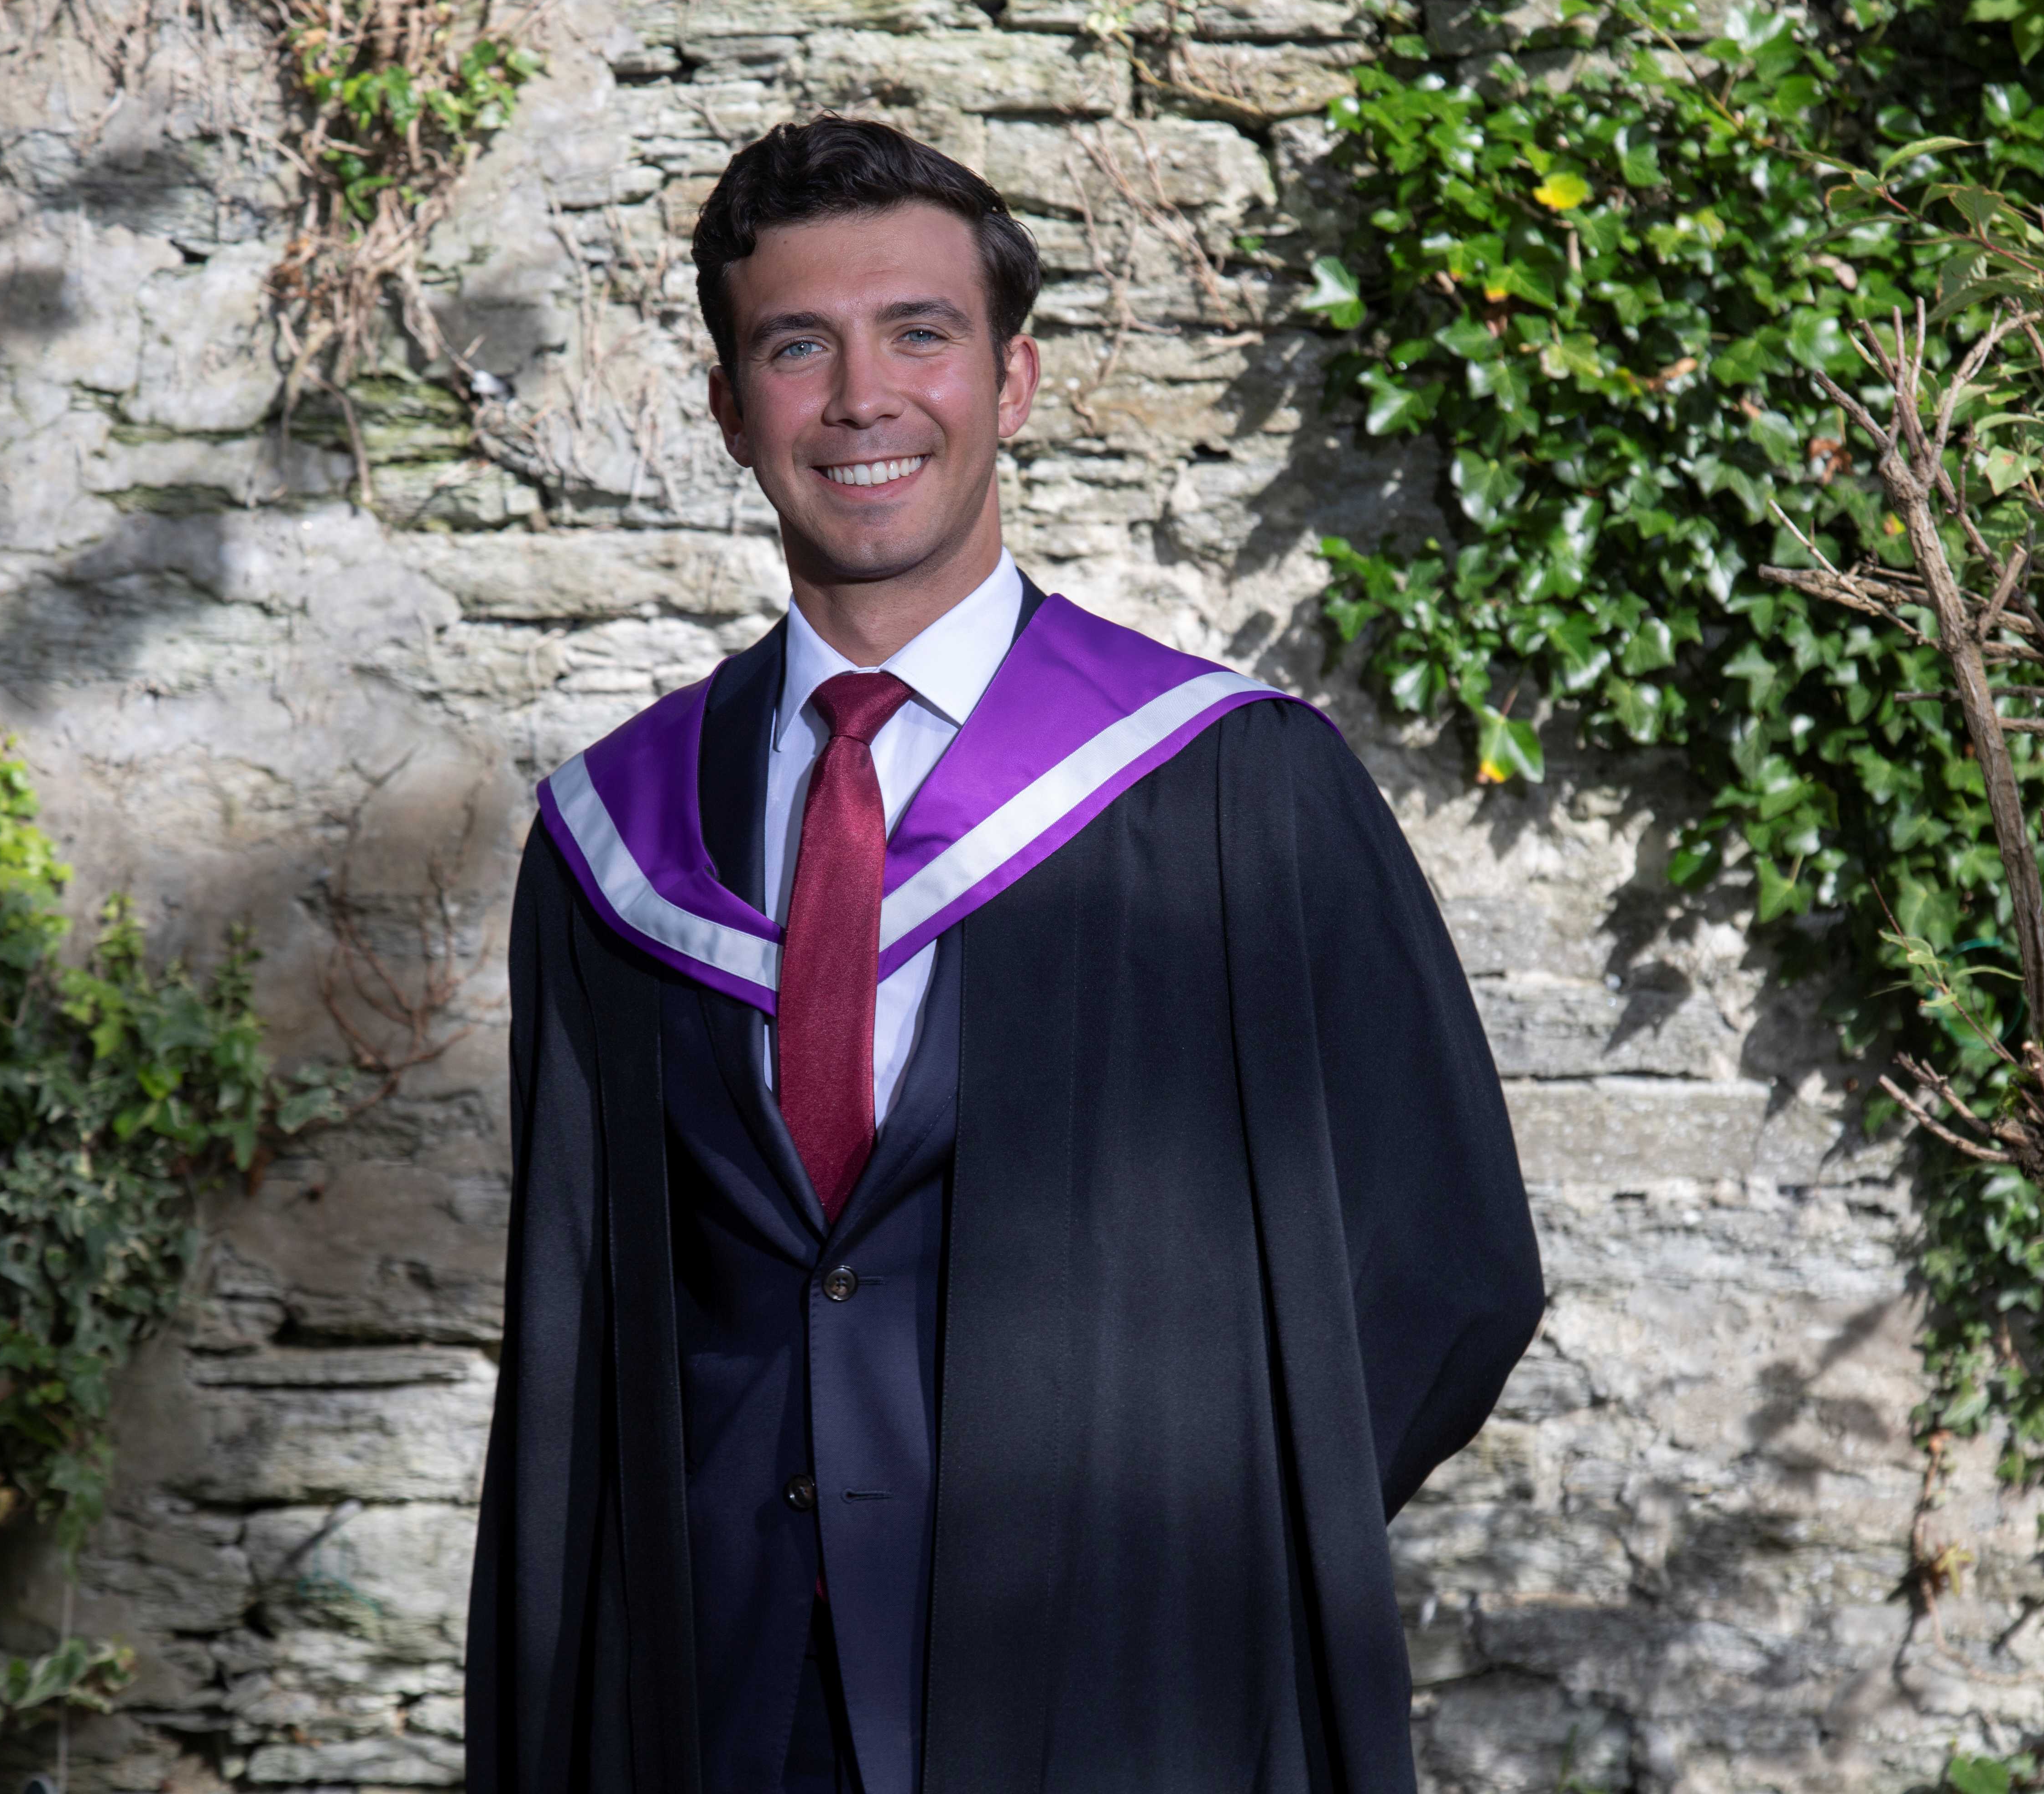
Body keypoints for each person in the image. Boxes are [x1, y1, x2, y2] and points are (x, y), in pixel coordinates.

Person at [464, 115, 1544, 1794]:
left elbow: (1450, 1265)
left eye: (921, 334)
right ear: (728, 407)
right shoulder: (614, 843)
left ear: (1014, 382)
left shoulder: (1229, 791)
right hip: (733, 1702)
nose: (861, 397)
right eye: (796, 347)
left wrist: (1202, 1546)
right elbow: (580, 1345)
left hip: (1123, 1697)